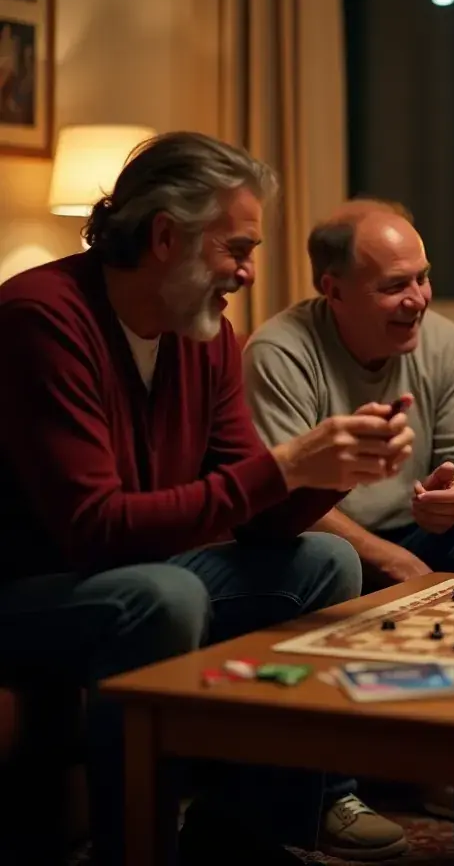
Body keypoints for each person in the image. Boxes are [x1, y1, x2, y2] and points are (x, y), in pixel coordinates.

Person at [0, 133, 416, 866]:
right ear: (166, 237)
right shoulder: (41, 318)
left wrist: (335, 468)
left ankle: (242, 834)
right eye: (238, 249)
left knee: (325, 562)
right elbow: (95, 528)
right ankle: (137, 848)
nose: (250, 273)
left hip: (132, 574)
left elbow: (257, 510)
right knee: (164, 595)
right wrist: (285, 467)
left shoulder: (207, 338)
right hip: (30, 590)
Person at [242, 199, 454, 833]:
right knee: (327, 560)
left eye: (423, 278)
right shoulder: (279, 352)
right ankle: (331, 792)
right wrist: (393, 560)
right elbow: (278, 498)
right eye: (394, 285)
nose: (418, 299)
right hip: (322, 541)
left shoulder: (443, 341)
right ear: (333, 290)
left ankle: (449, 762)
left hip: (413, 533)